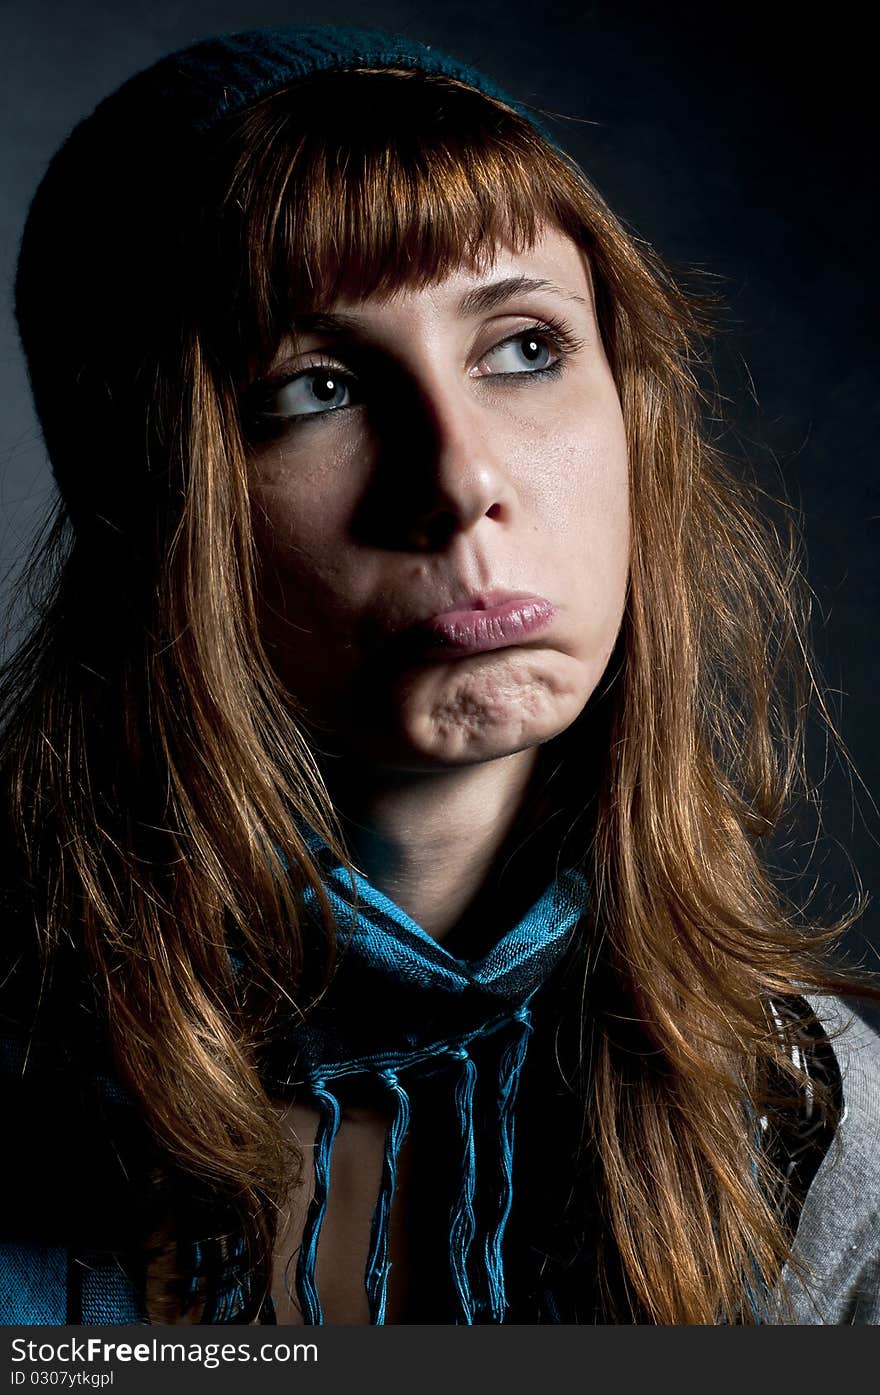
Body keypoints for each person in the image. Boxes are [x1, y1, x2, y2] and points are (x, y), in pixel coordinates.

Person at [0, 24, 878, 1328]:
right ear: (149, 509)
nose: (461, 481)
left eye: (525, 346)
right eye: (314, 387)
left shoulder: (828, 1133)